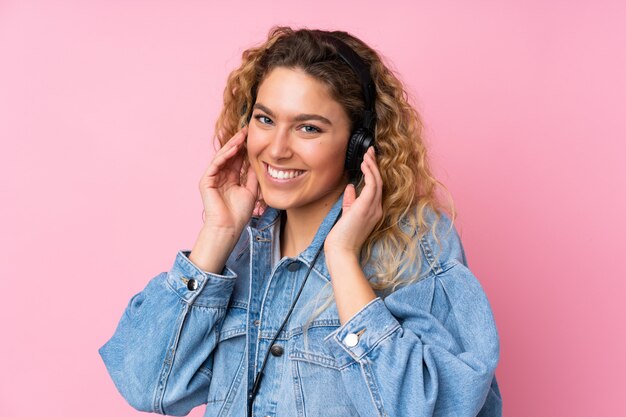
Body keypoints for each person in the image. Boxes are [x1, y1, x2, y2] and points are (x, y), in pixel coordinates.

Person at [99, 26, 502, 417]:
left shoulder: (413, 245)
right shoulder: (239, 251)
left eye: (308, 128)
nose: (276, 148)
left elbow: (433, 406)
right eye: (265, 119)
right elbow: (147, 386)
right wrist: (218, 234)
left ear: (358, 143)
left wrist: (342, 258)